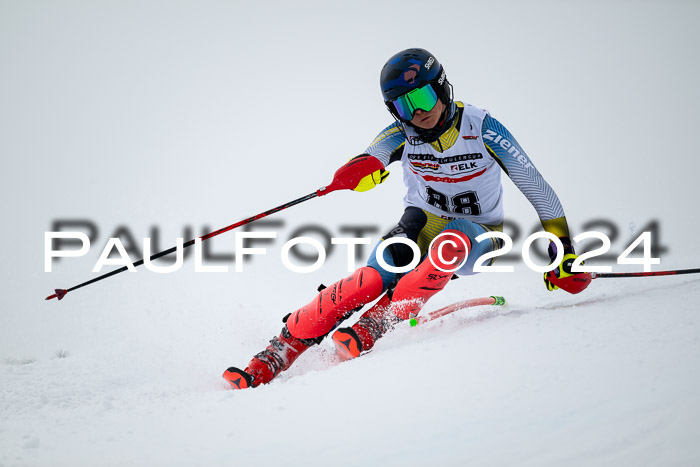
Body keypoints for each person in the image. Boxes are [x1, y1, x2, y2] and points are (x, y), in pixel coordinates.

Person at [223, 48, 591, 390]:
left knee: (454, 238)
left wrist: (564, 253)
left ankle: (376, 323)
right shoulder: (403, 133)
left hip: (481, 235)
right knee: (369, 278)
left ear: (443, 89)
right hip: (421, 224)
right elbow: (373, 155)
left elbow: (538, 189)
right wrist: (361, 170)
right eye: (404, 106)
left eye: (423, 98)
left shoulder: (483, 128)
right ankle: (275, 354)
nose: (418, 113)